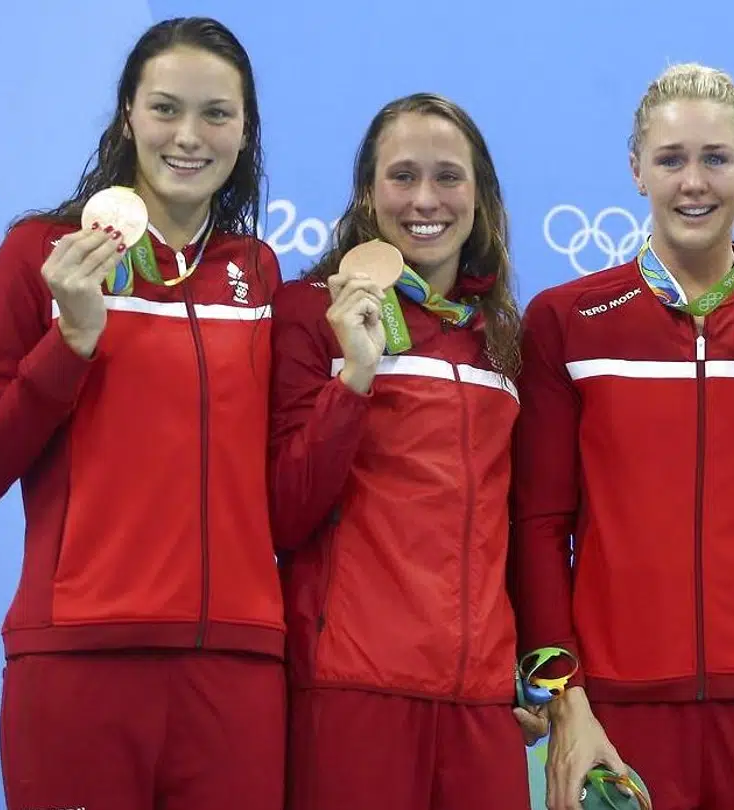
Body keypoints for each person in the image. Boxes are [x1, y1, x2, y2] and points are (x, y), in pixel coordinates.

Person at [0, 17, 286, 810]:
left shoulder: (258, 275)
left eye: (216, 114)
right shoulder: (40, 255)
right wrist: (70, 342)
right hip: (79, 659)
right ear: (127, 114)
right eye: (165, 108)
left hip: (235, 669)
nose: (189, 136)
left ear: (245, 130)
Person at [512, 63, 734, 810]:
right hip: (619, 708)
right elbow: (540, 526)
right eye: (671, 160)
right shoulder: (566, 320)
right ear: (637, 170)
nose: (694, 183)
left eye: (715, 159)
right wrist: (567, 698)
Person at [269, 92, 542, 810]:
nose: (426, 198)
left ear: (480, 196)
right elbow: (285, 513)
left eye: (449, 176)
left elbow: (517, 530)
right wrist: (355, 376)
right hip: (351, 689)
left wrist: (534, 676)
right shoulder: (307, 316)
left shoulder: (504, 339)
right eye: (403, 176)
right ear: (367, 193)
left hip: (482, 706)